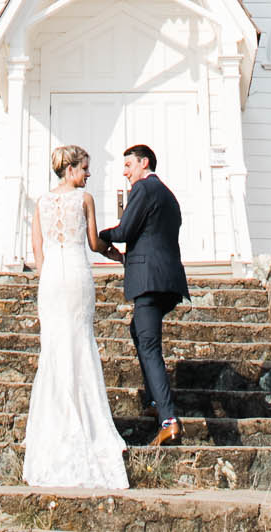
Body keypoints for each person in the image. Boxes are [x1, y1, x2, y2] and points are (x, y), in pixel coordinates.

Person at [21, 144, 130, 490]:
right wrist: (117, 254)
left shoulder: (41, 202)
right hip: (77, 276)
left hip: (52, 278)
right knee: (80, 343)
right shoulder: (84, 199)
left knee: (54, 347)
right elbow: (94, 241)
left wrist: (46, 274)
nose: (87, 175)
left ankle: (53, 426)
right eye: (85, 169)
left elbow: (37, 248)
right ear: (70, 170)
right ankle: (85, 423)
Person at [96, 143, 188, 445]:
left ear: (144, 163)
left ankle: (168, 418)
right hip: (168, 280)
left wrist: (99, 235)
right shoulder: (168, 195)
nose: (125, 173)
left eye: (128, 166)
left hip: (149, 280)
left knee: (149, 346)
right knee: (138, 330)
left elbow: (124, 231)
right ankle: (152, 401)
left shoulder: (144, 190)